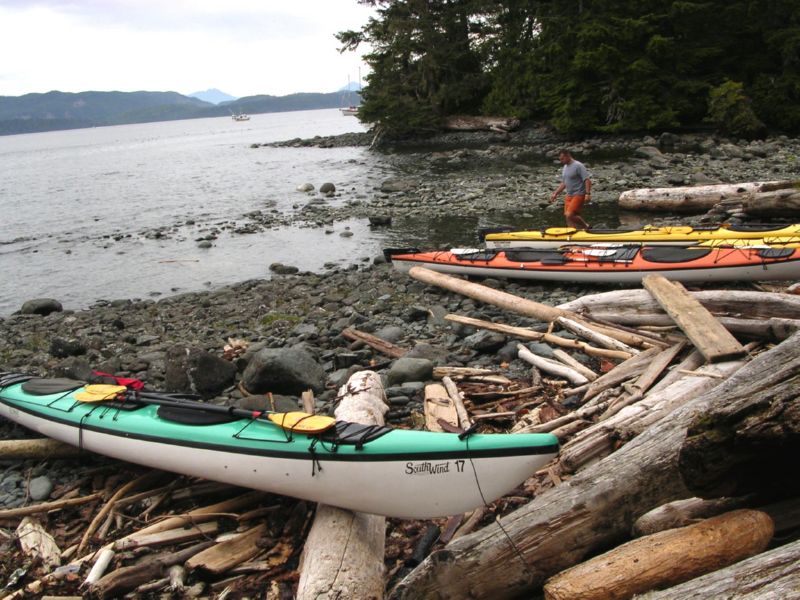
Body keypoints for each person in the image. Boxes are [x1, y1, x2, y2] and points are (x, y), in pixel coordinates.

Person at [549, 149, 592, 229]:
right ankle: (572, 232)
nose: (561, 161)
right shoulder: (565, 167)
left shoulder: (578, 165)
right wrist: (555, 193)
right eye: (560, 159)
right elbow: (564, 183)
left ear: (568, 156)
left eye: (562, 159)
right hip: (569, 195)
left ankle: (586, 226)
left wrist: (587, 194)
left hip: (579, 194)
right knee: (567, 217)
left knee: (570, 214)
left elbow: (587, 180)